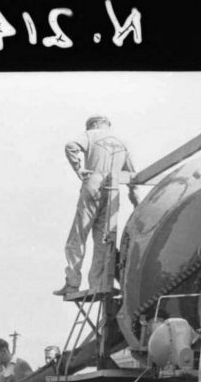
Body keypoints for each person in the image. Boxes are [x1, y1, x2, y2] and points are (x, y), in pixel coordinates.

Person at [53, 115, 138, 298]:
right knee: (102, 241)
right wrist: (136, 202)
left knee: (77, 238)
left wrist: (78, 168)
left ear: (93, 124)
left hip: (94, 183)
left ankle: (72, 283)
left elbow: (70, 146)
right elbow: (132, 175)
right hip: (113, 190)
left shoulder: (91, 134)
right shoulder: (122, 142)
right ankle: (97, 283)